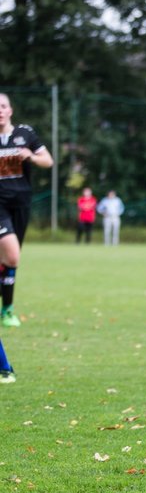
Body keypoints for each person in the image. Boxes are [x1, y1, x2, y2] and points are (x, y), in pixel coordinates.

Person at [0, 92, 54, 328]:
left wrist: (30, 156)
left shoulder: (25, 134)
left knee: (9, 261)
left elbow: (48, 161)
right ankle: (7, 310)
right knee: (12, 254)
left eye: (3, 106)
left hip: (21, 203)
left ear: (10, 110)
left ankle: (6, 309)